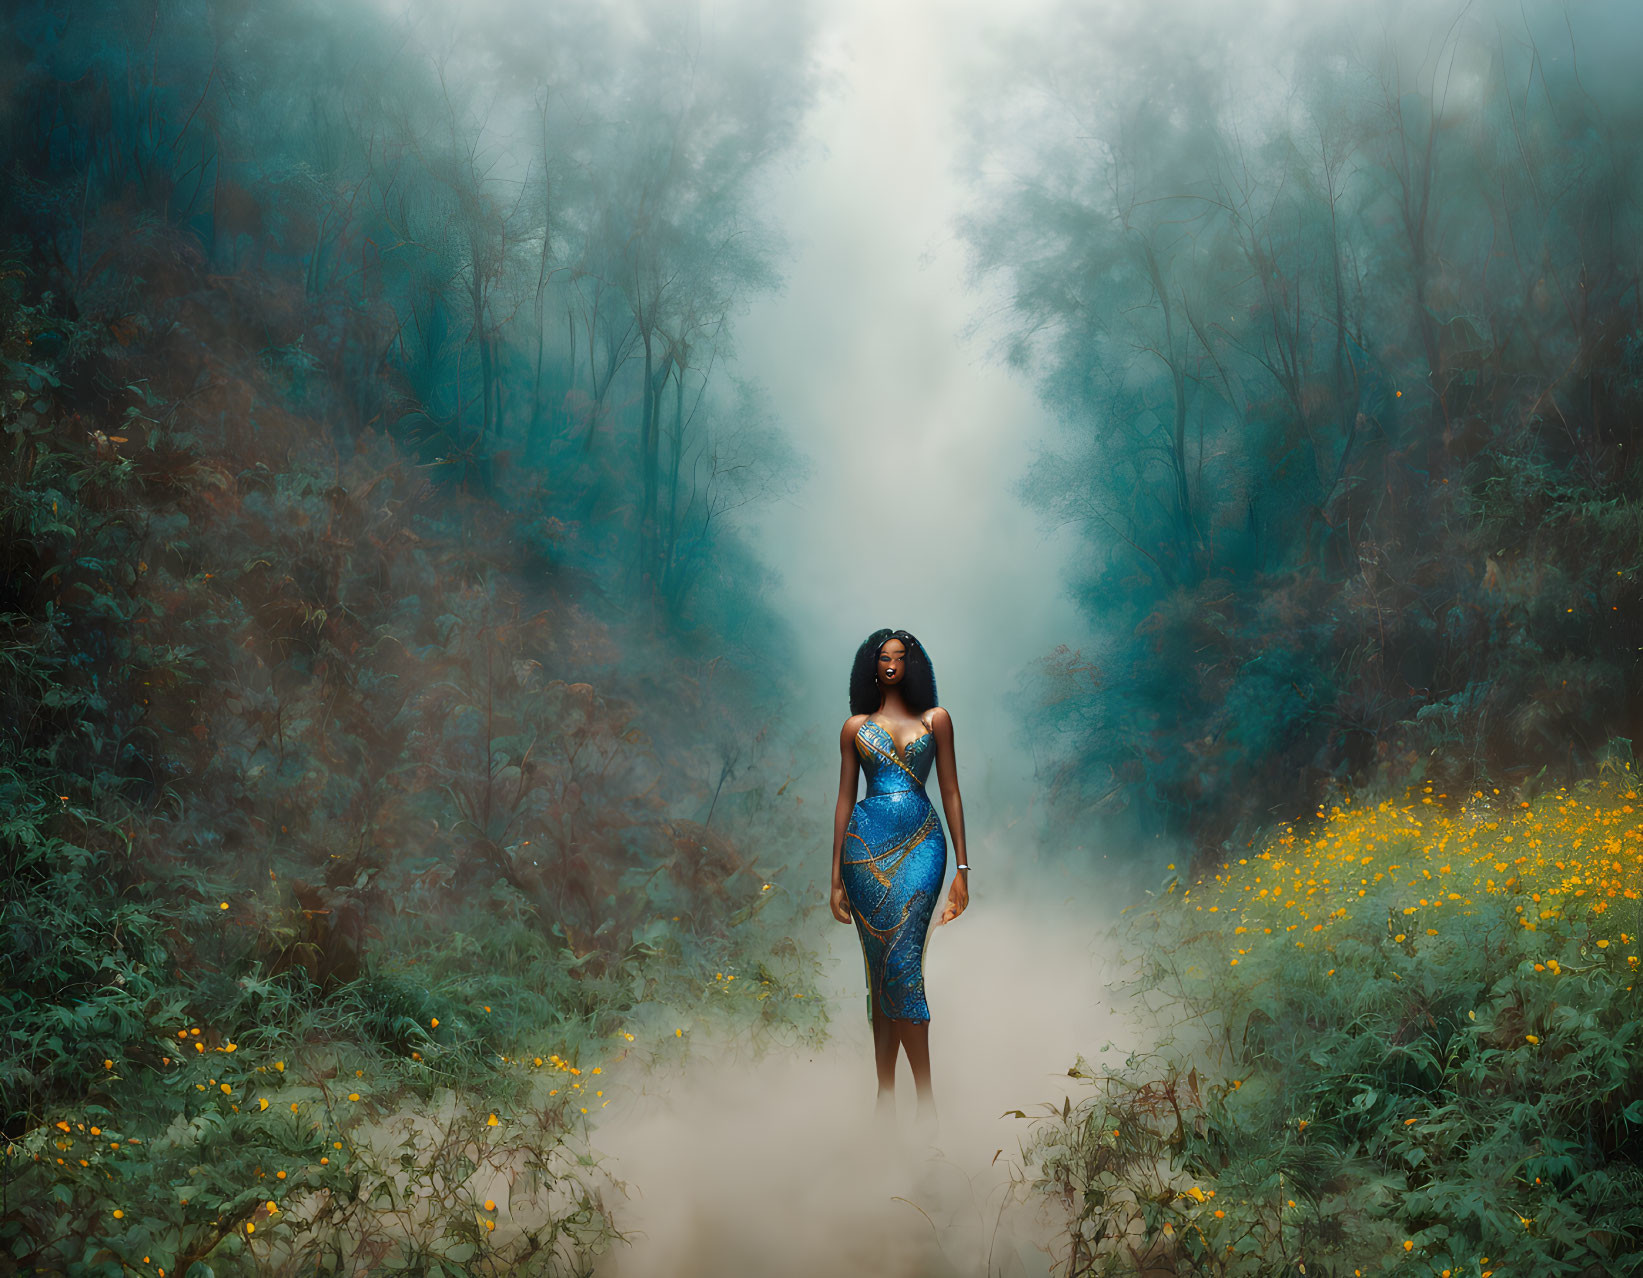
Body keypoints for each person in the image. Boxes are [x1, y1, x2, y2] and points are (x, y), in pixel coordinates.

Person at [831, 628, 969, 1130]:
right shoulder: (854, 727)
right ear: (872, 666)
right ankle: (885, 1098)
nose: (891, 664)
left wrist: (962, 869)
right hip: (864, 853)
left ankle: (927, 1104)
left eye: (900, 657)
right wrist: (835, 879)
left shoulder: (937, 720)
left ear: (914, 665)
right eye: (883, 657)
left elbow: (951, 792)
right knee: (877, 971)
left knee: (904, 964)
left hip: (923, 846)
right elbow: (845, 801)